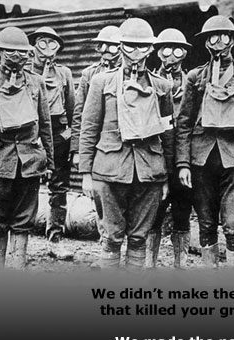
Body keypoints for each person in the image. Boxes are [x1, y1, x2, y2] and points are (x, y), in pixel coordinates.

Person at [79, 18, 174, 269]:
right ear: (120, 46)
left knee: (139, 237)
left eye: (142, 47)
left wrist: (166, 177)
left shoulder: (162, 86)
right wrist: (86, 174)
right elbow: (89, 128)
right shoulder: (102, 82)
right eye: (130, 46)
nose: (136, 52)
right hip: (109, 170)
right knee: (111, 238)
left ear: (151, 49)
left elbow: (168, 134)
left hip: (148, 173)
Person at [176, 15, 234, 268]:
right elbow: (184, 122)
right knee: (206, 223)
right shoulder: (195, 77)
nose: (218, 43)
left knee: (233, 225)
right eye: (213, 38)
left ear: (232, 40)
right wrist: (183, 164)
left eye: (224, 37)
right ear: (206, 42)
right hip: (202, 160)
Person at [0, 27, 53, 269]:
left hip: (29, 164)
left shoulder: (36, 82)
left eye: (22, 52)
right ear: (0, 52)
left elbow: (45, 126)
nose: (16, 57)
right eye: (10, 51)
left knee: (24, 222)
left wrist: (49, 164)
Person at [146, 28, 193, 269]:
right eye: (165, 50)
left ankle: (180, 265)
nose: (171, 57)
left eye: (177, 51)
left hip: (184, 160)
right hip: (156, 159)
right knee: (153, 213)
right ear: (158, 53)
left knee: (182, 213)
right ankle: (149, 265)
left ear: (184, 53)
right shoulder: (148, 82)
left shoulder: (193, 83)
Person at [28, 26, 75, 258]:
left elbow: (72, 108)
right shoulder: (25, 72)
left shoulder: (64, 73)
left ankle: (55, 240)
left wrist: (71, 140)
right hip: (31, 133)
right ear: (33, 46)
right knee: (27, 186)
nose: (47, 48)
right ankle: (21, 240)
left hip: (58, 134)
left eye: (52, 43)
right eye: (42, 42)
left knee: (59, 188)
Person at [70, 25, 122, 166]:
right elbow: (78, 114)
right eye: (103, 46)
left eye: (112, 47)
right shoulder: (89, 74)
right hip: (93, 138)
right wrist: (77, 150)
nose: (107, 50)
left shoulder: (127, 75)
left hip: (118, 140)